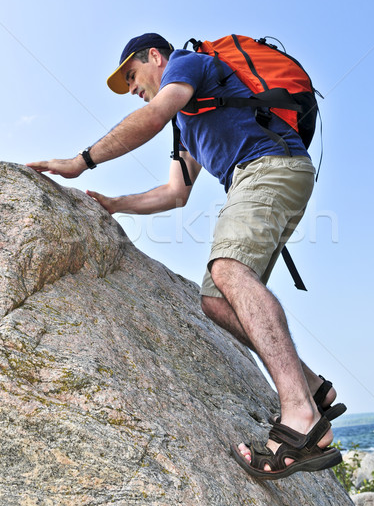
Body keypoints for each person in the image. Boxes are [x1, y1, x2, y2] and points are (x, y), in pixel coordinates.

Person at [27, 32, 345, 480]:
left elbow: (154, 115)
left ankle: (301, 417)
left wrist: (81, 160)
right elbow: (175, 193)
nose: (133, 90)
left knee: (228, 269)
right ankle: (312, 388)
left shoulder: (188, 66)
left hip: (270, 165)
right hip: (259, 176)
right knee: (216, 300)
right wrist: (115, 204)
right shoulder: (188, 122)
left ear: (155, 57)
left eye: (132, 76)